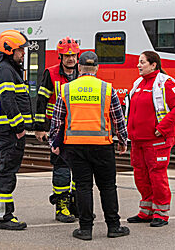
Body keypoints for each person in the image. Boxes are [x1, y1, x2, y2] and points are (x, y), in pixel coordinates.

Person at [49, 51, 130, 241]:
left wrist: (54, 142)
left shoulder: (67, 89)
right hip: (102, 146)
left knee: (83, 187)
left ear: (79, 67)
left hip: (75, 146)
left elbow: (57, 120)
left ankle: (85, 229)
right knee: (108, 187)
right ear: (97, 68)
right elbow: (118, 119)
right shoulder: (107, 89)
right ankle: (114, 226)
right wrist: (122, 141)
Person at [126, 50, 175, 227]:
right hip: (138, 140)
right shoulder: (138, 83)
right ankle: (146, 211)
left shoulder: (165, 83)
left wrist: (162, 128)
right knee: (141, 176)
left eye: (142, 62)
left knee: (157, 176)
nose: (138, 65)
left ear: (153, 65)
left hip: (156, 140)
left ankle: (161, 213)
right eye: (139, 62)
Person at [0, 29, 33, 230]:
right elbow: (8, 100)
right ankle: (4, 216)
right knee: (7, 172)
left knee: (1, 170)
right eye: (20, 50)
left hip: (5, 129)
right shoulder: (6, 71)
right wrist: (19, 127)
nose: (23, 53)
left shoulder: (4, 68)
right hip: (10, 130)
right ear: (9, 50)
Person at [34, 36, 80, 223]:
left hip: (78, 128)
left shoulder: (82, 73)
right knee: (62, 168)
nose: (70, 59)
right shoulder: (51, 73)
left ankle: (77, 206)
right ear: (60, 56)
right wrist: (39, 128)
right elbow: (41, 101)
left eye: (73, 55)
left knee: (80, 168)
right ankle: (62, 207)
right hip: (58, 128)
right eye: (67, 56)